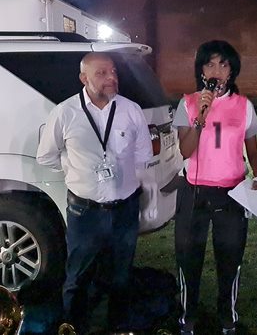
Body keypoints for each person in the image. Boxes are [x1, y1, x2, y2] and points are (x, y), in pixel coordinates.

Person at [36, 52, 152, 332]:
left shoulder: (131, 110)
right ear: (83, 78)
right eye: (101, 73)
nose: (111, 77)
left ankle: (117, 327)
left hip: (125, 209)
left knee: (121, 275)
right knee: (78, 276)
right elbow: (46, 156)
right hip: (84, 211)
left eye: (113, 72)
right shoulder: (65, 112)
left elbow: (143, 155)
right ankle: (74, 326)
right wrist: (74, 170)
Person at [173, 40, 257, 335]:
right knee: (189, 257)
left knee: (230, 257)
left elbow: (253, 151)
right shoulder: (187, 103)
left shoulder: (244, 106)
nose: (217, 71)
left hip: (231, 194)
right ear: (201, 71)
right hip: (194, 192)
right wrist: (201, 116)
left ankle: (227, 316)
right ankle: (188, 316)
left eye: (223, 65)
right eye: (210, 64)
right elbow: (185, 151)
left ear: (231, 71)